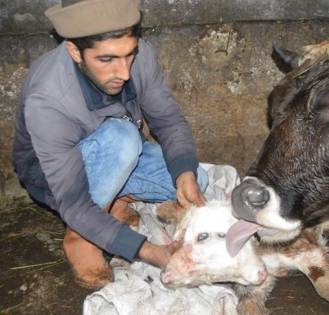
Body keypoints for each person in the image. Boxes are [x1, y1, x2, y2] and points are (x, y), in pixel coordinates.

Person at [12, 0, 209, 290]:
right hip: (57, 180)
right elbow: (75, 201)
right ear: (74, 51)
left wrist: (185, 173)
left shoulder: (139, 56)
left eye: (129, 55)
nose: (124, 72)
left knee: (194, 178)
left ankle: (113, 199)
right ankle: (81, 238)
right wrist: (149, 251)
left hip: (122, 152)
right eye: (106, 60)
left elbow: (168, 121)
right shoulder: (48, 100)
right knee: (122, 139)